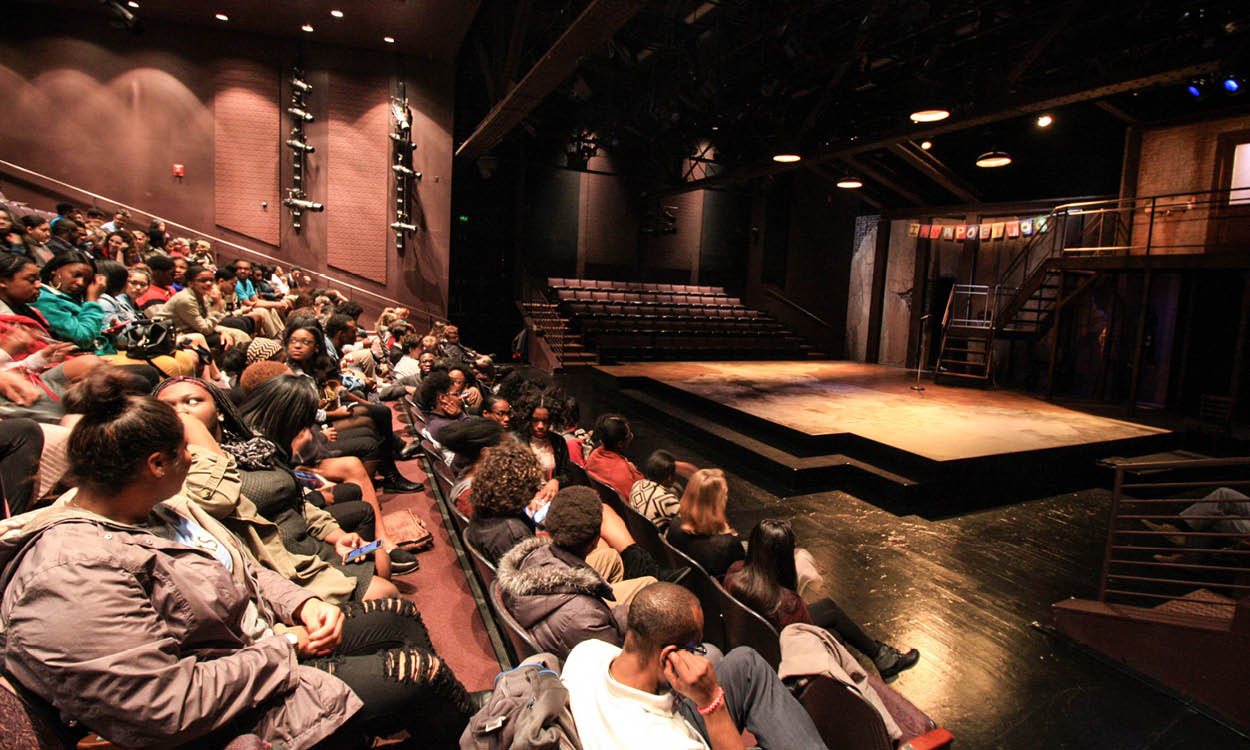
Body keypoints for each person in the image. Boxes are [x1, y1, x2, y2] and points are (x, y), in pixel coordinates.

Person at [0, 373, 476, 748]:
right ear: (156, 465)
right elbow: (162, 705)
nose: (196, 456)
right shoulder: (70, 570)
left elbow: (244, 570)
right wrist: (285, 647)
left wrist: (299, 605)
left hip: (257, 643)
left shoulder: (158, 507)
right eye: (186, 450)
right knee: (418, 673)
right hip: (228, 705)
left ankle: (444, 720)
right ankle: (447, 717)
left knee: (399, 613)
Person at [153, 375, 406, 597]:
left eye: (192, 401)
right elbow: (220, 499)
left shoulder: (250, 444)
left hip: (309, 542)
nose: (181, 412)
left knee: (379, 555)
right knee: (386, 593)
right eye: (168, 407)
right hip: (279, 564)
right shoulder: (178, 470)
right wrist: (195, 432)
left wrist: (337, 535)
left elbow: (295, 500)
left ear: (219, 409)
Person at [561, 583, 826, 750]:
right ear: (669, 658)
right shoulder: (673, 743)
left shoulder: (586, 653)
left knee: (745, 661)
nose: (699, 655)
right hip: (661, 728)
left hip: (640, 715)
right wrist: (712, 702)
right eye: (695, 648)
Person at [237, 372, 421, 573]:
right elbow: (285, 487)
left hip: (300, 493)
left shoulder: (275, 433)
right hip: (286, 522)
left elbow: (291, 471)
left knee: (352, 469)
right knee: (362, 509)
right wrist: (313, 483)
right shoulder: (255, 446)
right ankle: (368, 561)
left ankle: (381, 541)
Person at [725, 519, 919, 681]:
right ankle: (874, 664)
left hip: (752, 639)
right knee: (834, 633)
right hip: (779, 651)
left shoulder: (735, 572)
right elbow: (807, 638)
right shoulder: (788, 602)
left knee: (829, 611)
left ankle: (881, 658)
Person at [496, 486, 656, 659]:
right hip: (576, 623)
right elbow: (613, 657)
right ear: (595, 541)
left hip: (561, 613)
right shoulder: (587, 618)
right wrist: (624, 616)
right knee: (650, 584)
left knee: (611, 558)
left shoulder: (532, 554)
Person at [587, 413, 695, 501]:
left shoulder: (594, 455)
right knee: (676, 489)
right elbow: (636, 502)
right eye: (629, 435)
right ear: (620, 443)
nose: (630, 437)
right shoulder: (622, 472)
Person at [150, 263, 251, 349]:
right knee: (225, 338)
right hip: (168, 336)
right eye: (202, 280)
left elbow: (209, 322)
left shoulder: (201, 295)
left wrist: (221, 331)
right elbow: (205, 329)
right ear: (191, 283)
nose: (208, 283)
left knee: (238, 334)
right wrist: (216, 305)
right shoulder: (185, 299)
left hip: (192, 330)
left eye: (211, 280)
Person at [665, 469, 743, 578]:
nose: (726, 498)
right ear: (716, 503)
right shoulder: (727, 545)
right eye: (724, 494)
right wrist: (730, 535)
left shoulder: (674, 525)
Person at [32, 252, 113, 354]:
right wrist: (92, 300)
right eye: (76, 275)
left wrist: (106, 332)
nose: (81, 283)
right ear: (55, 270)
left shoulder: (72, 298)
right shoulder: (43, 298)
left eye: (87, 280)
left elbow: (89, 333)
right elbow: (83, 339)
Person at [631, 449, 683, 532]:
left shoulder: (637, 484)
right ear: (669, 478)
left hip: (634, 531)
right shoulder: (668, 500)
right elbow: (687, 523)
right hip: (652, 542)